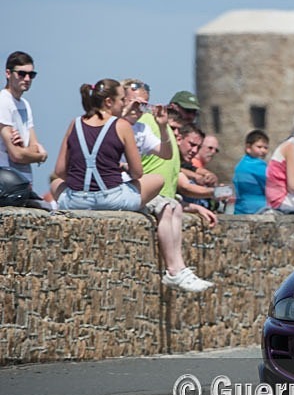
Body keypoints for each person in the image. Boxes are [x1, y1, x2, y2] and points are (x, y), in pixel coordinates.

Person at [121, 79, 215, 292]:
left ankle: (178, 270)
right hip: (141, 192)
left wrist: (197, 205)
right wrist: (214, 192)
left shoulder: (162, 129)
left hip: (163, 195)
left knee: (175, 206)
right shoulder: (142, 122)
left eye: (193, 113)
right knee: (167, 207)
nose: (190, 116)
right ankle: (175, 269)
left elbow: (174, 173)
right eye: (185, 111)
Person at [50, 79, 163, 211]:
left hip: (76, 201)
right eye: (122, 100)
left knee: (55, 183)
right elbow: (137, 173)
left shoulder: (75, 124)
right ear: (109, 102)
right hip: (112, 200)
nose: (125, 104)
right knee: (158, 179)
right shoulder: (122, 125)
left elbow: (60, 171)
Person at [0, 51, 48, 184]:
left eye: (31, 75)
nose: (27, 79)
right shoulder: (3, 102)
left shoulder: (25, 104)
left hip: (24, 181)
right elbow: (16, 155)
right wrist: (41, 156)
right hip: (7, 182)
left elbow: (33, 145)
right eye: (21, 74)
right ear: (8, 74)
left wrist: (25, 150)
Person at [232, 129, 270, 214]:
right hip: (258, 209)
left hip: (240, 209)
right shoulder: (258, 165)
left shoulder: (241, 164)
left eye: (266, 148)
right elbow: (271, 186)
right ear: (248, 148)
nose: (263, 151)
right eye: (259, 147)